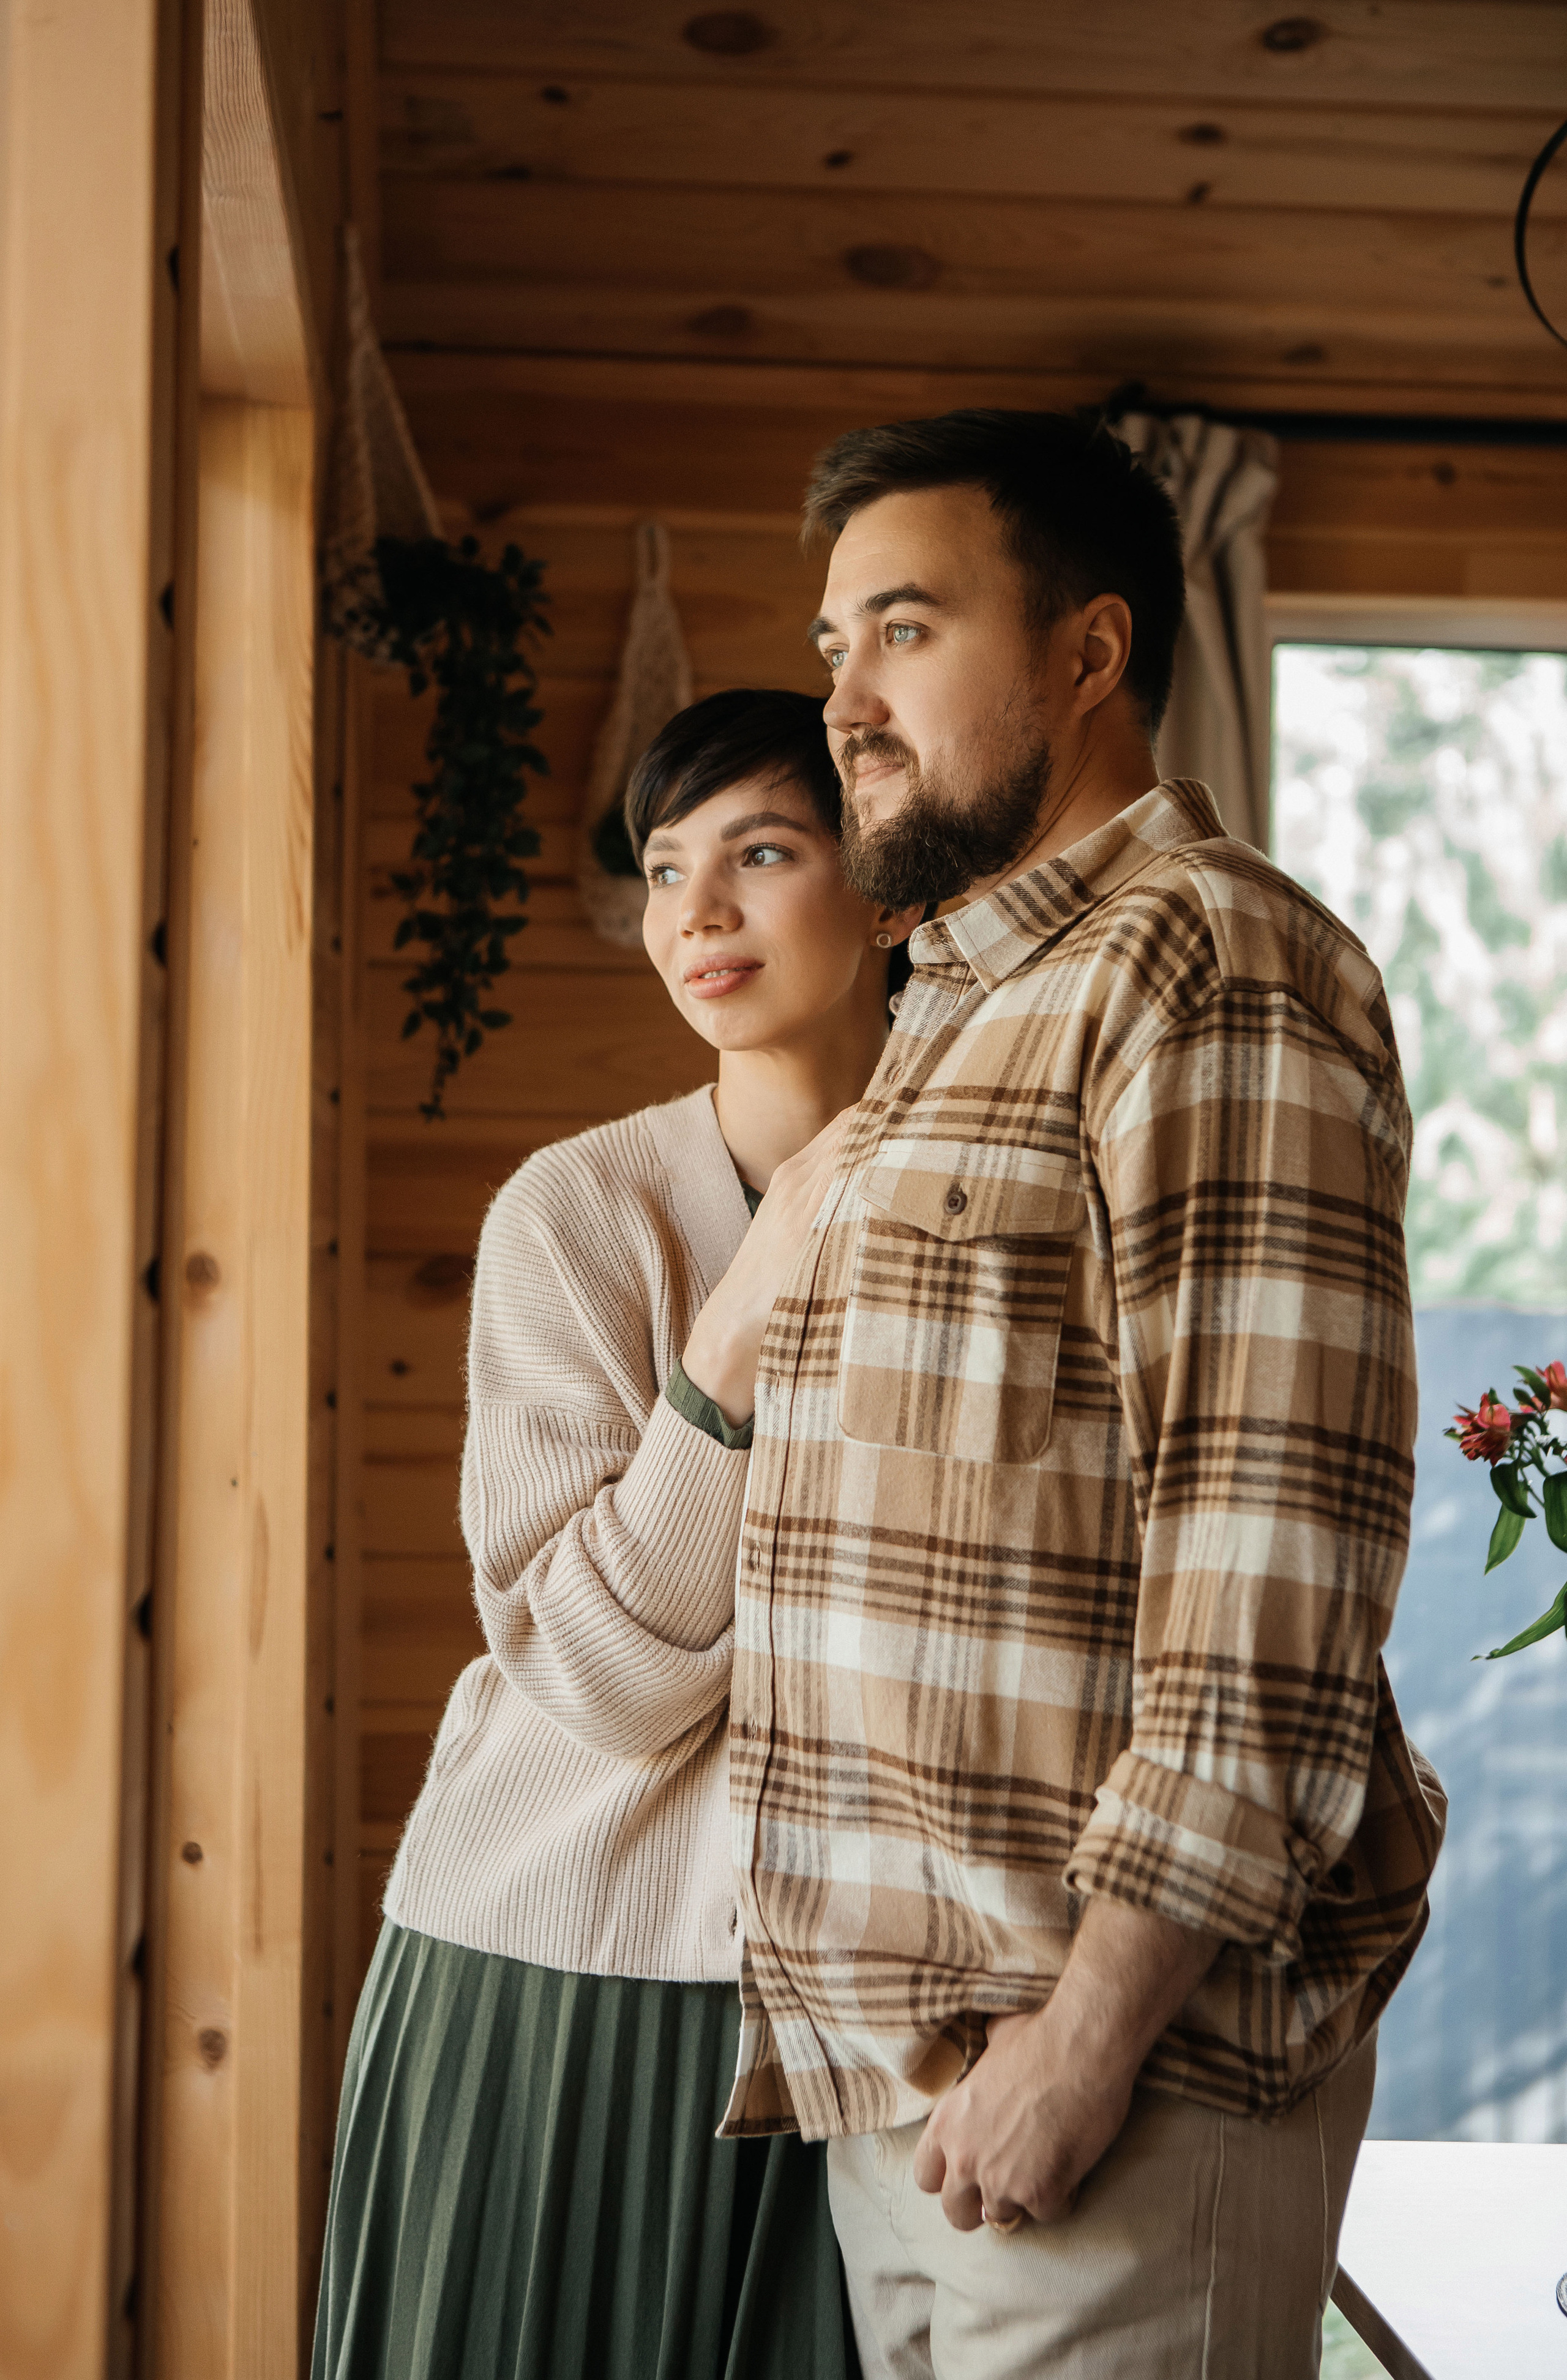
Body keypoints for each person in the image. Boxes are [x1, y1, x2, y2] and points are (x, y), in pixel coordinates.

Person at [690, 412, 1447, 2379]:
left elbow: (1270, 1564)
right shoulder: (952, 1010)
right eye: (835, 639)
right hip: (914, 2089)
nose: (843, 698)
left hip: (1114, 2074)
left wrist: (1094, 2031)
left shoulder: (1211, 965)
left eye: (905, 631)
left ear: (1090, 653)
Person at [311, 686, 921, 2380]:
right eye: (664, 870)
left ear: (886, 889)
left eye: (762, 852)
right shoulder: (575, 1216)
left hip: (876, 1993)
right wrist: (730, 1338)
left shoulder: (995, 1197)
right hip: (561, 1976)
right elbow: (596, 1673)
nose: (697, 915)